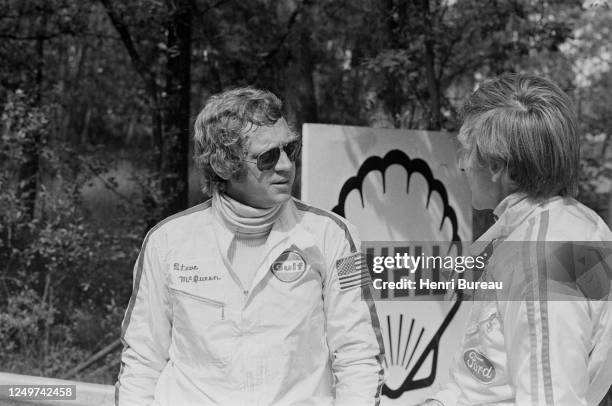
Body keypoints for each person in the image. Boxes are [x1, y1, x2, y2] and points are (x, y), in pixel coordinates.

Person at [115, 87, 385, 406]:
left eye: (291, 149)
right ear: (223, 164)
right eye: (268, 156)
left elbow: (360, 357)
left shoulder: (338, 236)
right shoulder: (165, 241)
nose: (286, 165)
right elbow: (141, 363)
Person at [420, 74, 612, 406]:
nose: (464, 165)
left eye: (468, 151)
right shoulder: (573, 224)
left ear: (497, 166)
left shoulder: (539, 260)